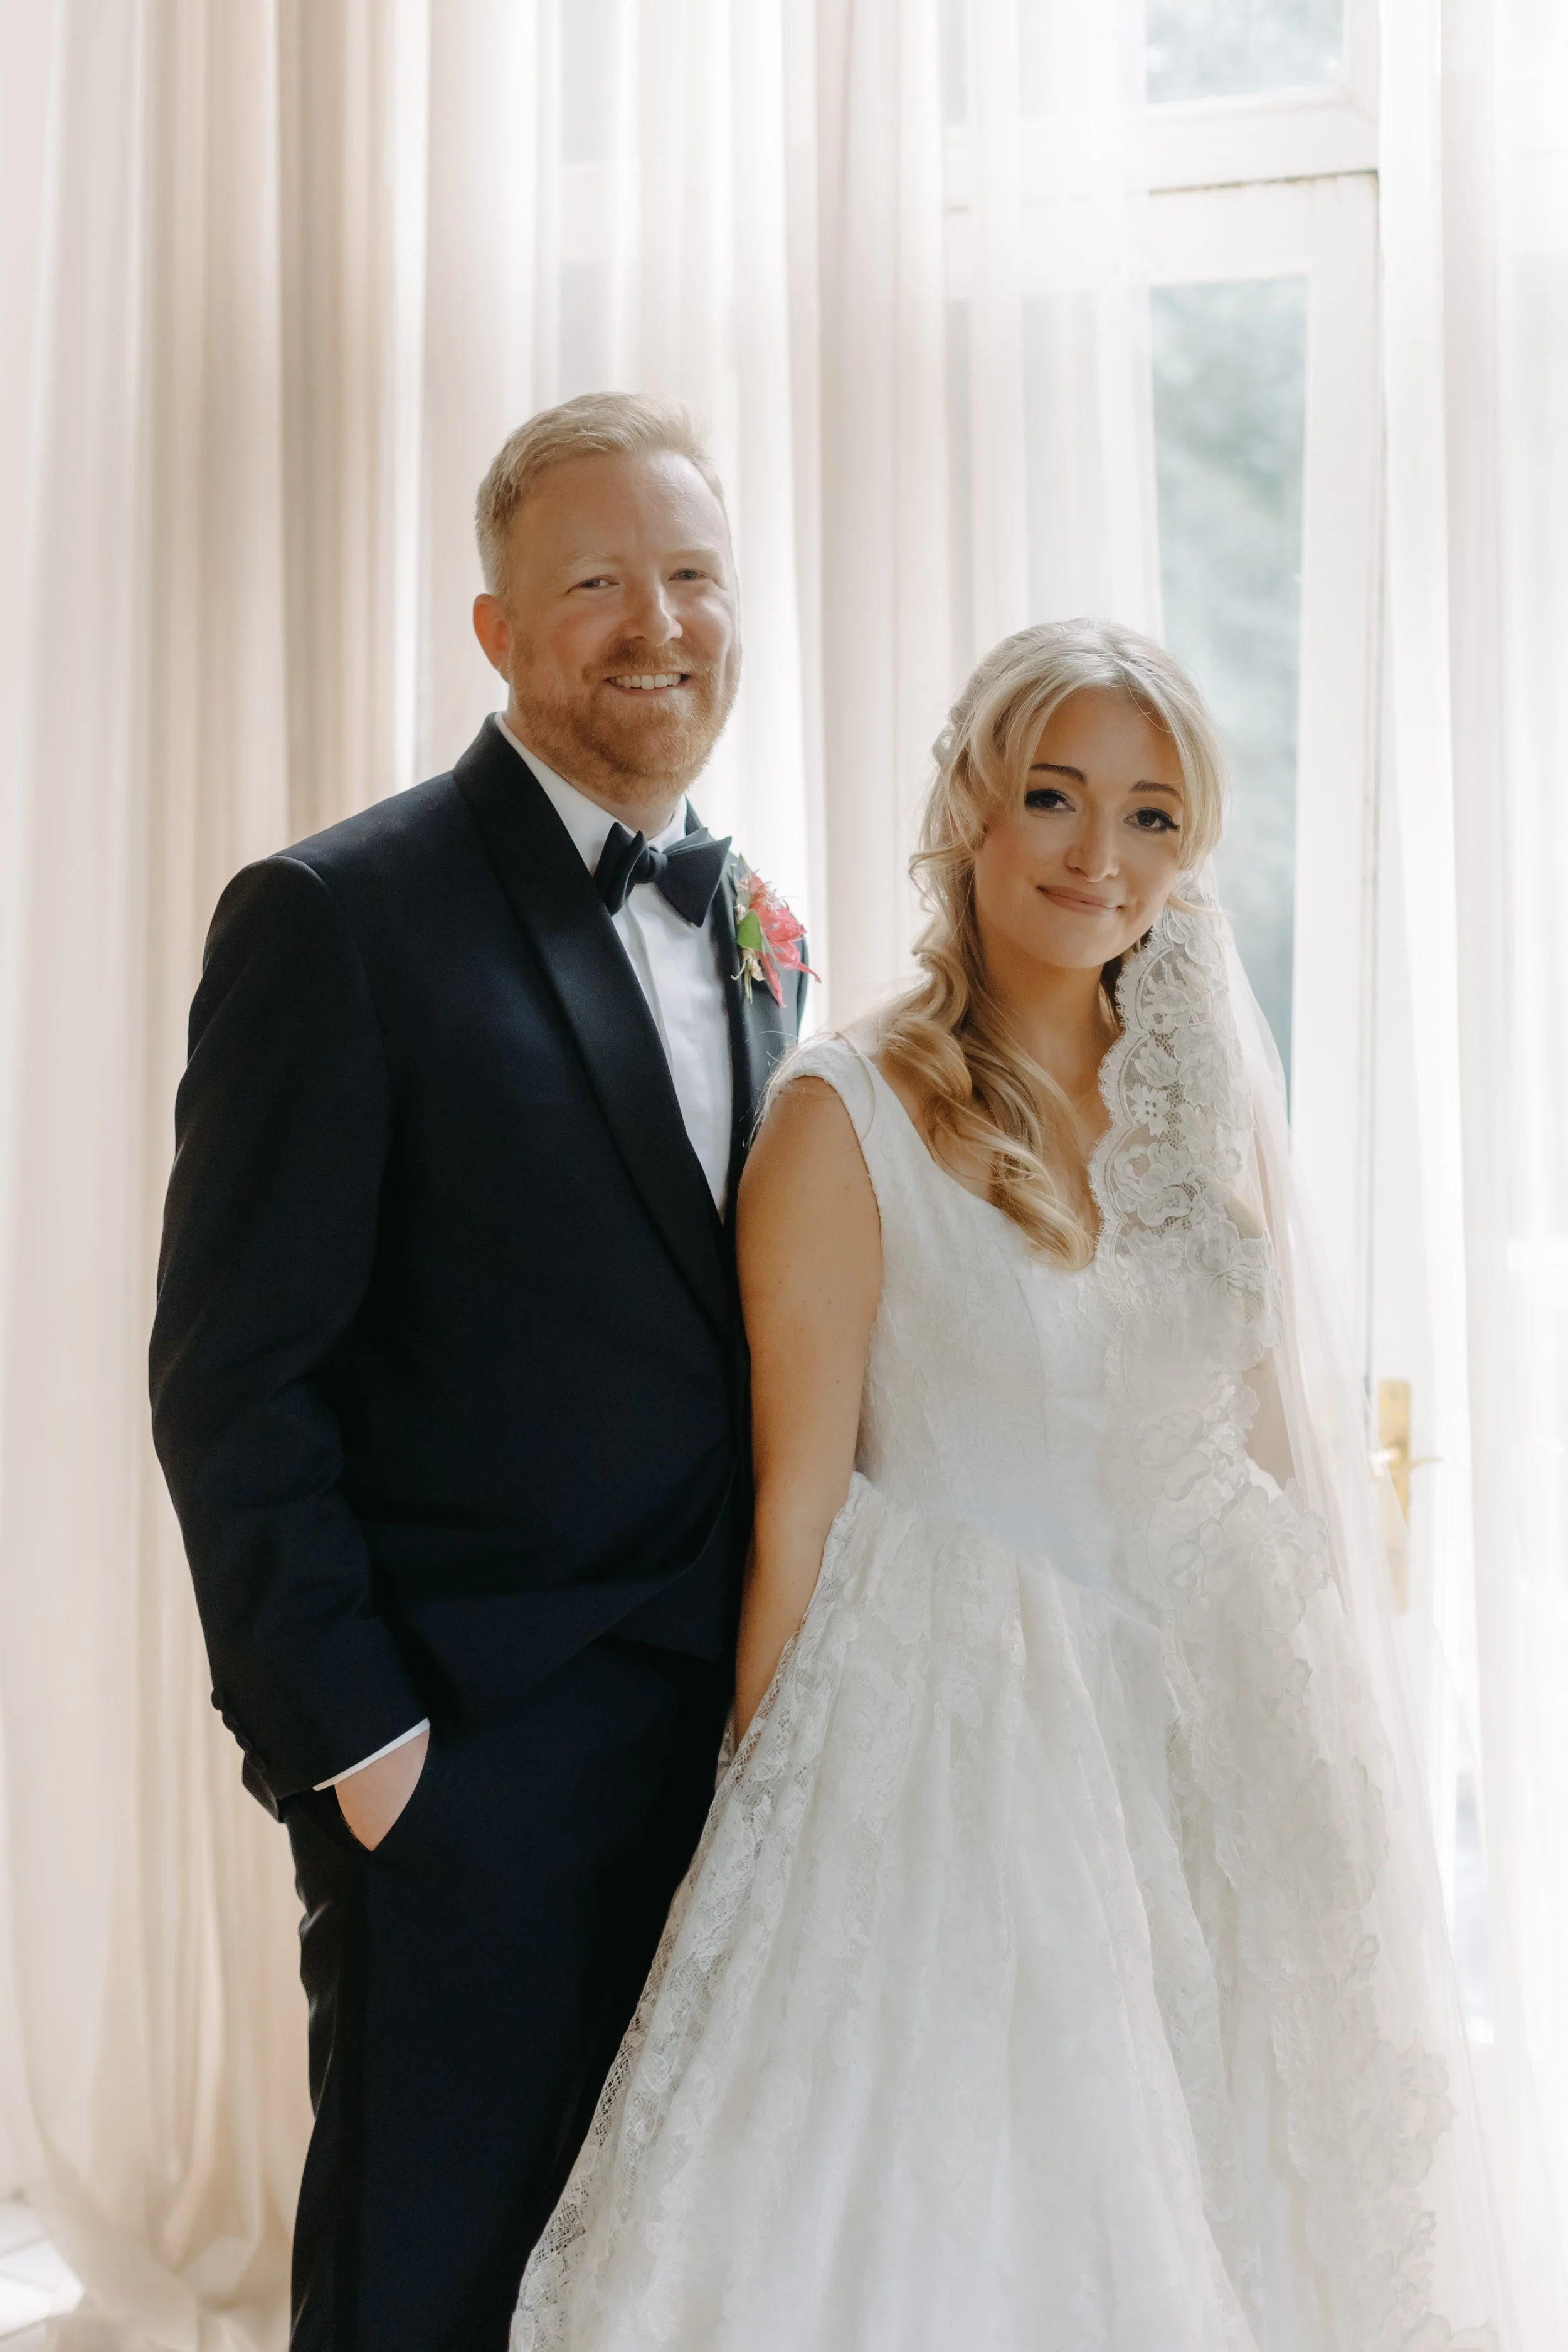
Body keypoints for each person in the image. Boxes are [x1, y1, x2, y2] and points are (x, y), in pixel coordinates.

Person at [512, 620, 1507, 2351]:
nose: (1093, 857)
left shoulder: (1195, 1099)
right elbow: (797, 1514)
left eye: (1145, 816)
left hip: (1220, 1750)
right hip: (978, 1770)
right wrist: (750, 1846)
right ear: (968, 807)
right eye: (1051, 796)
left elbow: (1259, 1427)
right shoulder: (844, 1117)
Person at [149, 392, 809, 2351]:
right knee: (425, 2295)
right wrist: (364, 1756)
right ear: (497, 631)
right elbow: (231, 1377)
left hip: (733, 1764)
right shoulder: (336, 921)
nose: (656, 623)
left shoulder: (762, 927)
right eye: (595, 581)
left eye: (691, 576)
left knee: (665, 2287)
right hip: (466, 1769)